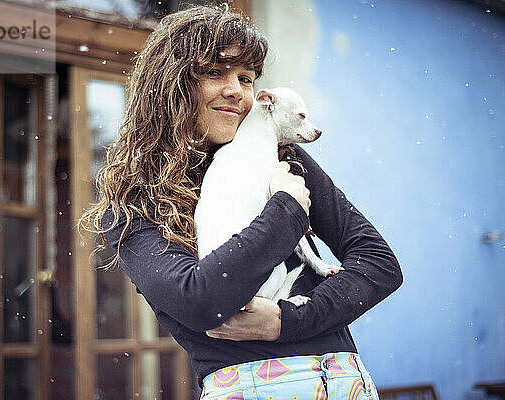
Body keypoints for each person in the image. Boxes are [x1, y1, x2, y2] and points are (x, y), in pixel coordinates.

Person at [81, 5, 402, 399]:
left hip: (342, 382)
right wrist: (286, 208)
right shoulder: (134, 205)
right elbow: (202, 301)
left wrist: (291, 320)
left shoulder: (284, 159)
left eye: (246, 78)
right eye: (215, 73)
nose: (237, 90)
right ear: (170, 85)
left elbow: (380, 265)